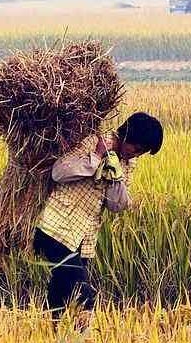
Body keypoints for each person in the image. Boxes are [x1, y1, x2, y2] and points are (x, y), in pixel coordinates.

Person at [33, 112, 163, 323]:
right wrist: (95, 157)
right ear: (126, 135)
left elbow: (116, 205)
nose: (136, 155)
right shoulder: (92, 141)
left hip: (84, 239)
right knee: (85, 295)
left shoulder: (127, 164)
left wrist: (115, 178)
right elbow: (58, 172)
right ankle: (86, 341)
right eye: (136, 148)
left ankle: (51, 334)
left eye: (142, 152)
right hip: (56, 228)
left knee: (61, 290)